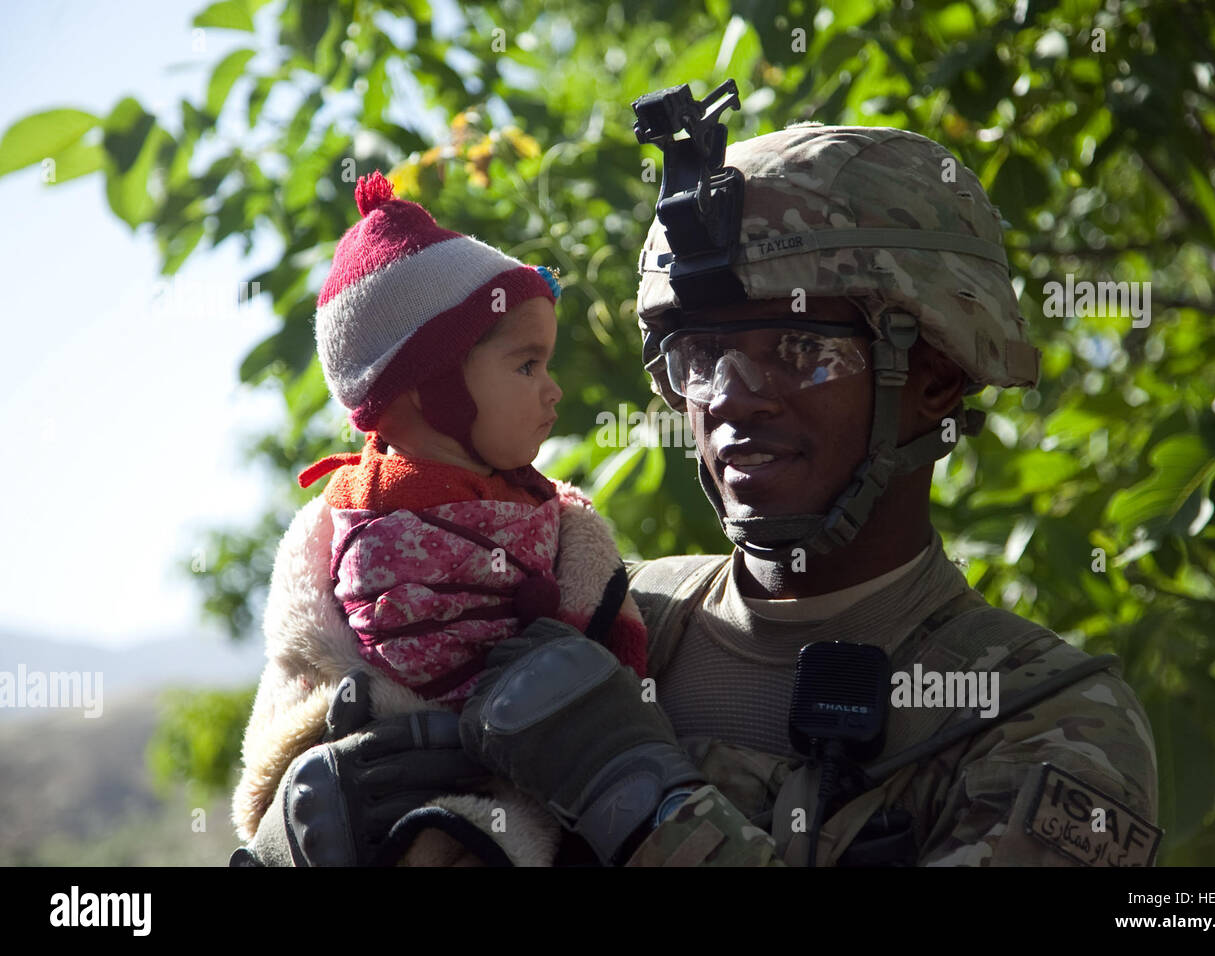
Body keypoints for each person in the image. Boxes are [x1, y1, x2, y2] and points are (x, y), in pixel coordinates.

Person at [232, 119, 1161, 869]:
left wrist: (637, 798)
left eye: (798, 348)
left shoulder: (1047, 720)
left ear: (936, 377)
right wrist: (298, 837)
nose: (730, 398)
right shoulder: (604, 614)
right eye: (697, 356)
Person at [229, 171, 648, 867]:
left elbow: (619, 665)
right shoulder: (331, 529)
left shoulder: (560, 519)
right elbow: (294, 685)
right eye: (526, 365)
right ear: (429, 389)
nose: (554, 390)